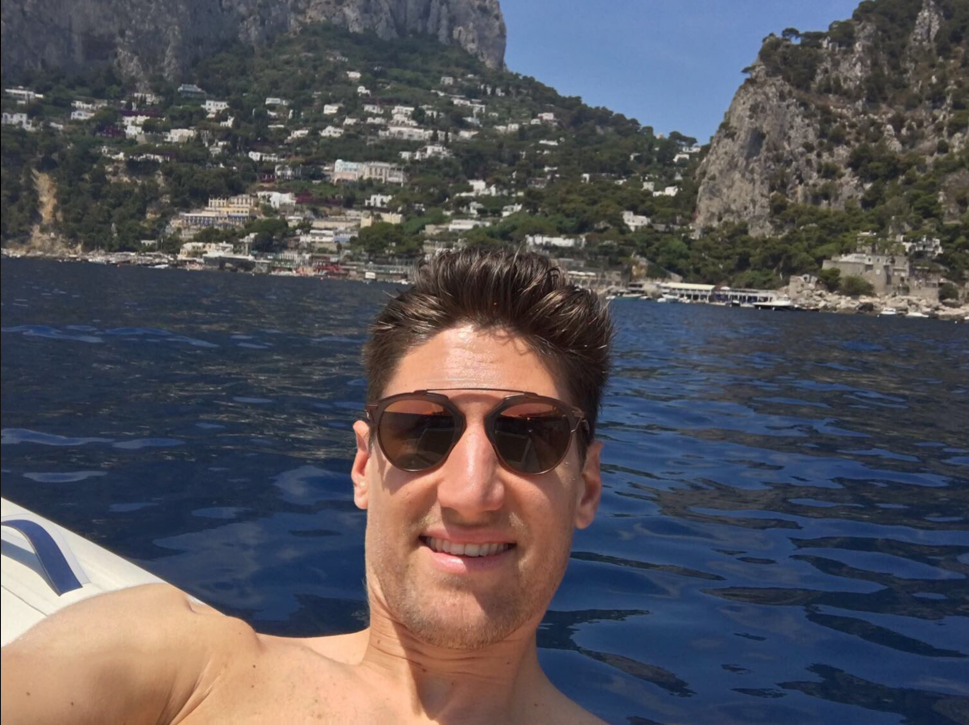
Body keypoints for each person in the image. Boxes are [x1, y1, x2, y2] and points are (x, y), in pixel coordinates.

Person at [1, 246, 614, 724]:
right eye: (421, 431)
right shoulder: (179, 669)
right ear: (363, 467)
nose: (469, 493)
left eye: (529, 436)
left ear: (586, 487)